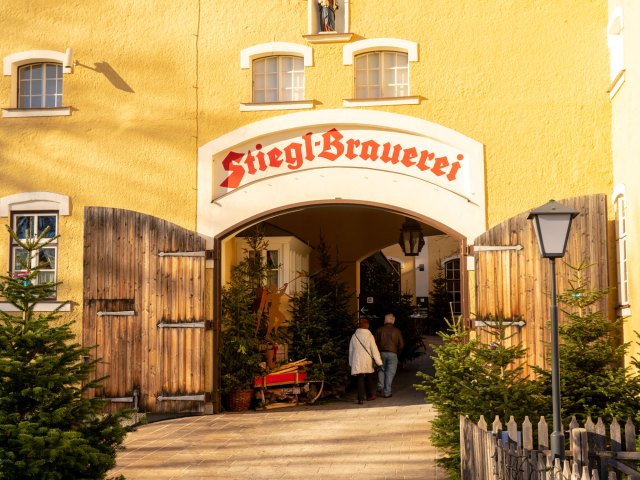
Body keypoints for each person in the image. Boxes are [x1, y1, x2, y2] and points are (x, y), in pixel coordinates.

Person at [349, 317, 382, 404]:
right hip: (367, 360)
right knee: (369, 378)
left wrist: (351, 362)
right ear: (367, 326)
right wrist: (379, 362)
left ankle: (360, 398)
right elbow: (374, 350)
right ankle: (369, 395)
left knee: (360, 379)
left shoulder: (354, 336)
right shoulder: (370, 336)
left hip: (357, 360)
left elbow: (351, 350)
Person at [375, 313, 405, 398]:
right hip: (393, 353)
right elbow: (401, 344)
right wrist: (397, 353)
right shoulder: (397, 331)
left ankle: (380, 385)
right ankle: (387, 392)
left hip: (381, 353)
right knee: (390, 373)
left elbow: (374, 343)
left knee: (381, 369)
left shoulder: (379, 330)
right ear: (393, 321)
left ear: (385, 321)